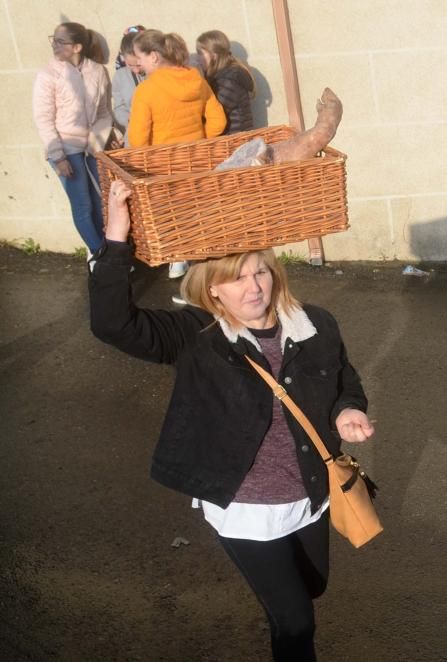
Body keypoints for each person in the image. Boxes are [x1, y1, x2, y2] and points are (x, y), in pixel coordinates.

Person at [90, 179, 375, 661]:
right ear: (213, 289)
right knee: (296, 621)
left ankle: (281, 616)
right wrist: (117, 237)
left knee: (311, 589)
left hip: (308, 493)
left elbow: (344, 379)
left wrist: (349, 409)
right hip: (245, 507)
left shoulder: (316, 324)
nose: (254, 286)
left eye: (260, 272)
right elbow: (112, 323)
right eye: (238, 277)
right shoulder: (195, 336)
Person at [129, 29, 227, 285]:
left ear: (154, 57)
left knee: (176, 220)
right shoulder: (195, 79)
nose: (137, 62)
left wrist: (146, 162)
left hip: (163, 168)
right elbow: (218, 119)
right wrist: (199, 142)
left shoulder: (146, 90)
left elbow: (138, 140)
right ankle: (205, 281)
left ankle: (189, 277)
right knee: (201, 220)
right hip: (197, 162)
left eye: (139, 57)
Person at [32, 21, 112, 262]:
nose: (54, 45)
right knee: (83, 206)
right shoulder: (48, 75)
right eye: (53, 39)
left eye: (60, 41)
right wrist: (58, 156)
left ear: (77, 47)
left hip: (91, 150)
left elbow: (104, 113)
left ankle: (104, 253)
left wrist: (95, 144)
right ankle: (102, 256)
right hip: (65, 150)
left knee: (101, 203)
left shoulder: (98, 71)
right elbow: (43, 118)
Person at [196, 30, 255, 134]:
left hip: (235, 143)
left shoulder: (229, 79)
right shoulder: (220, 76)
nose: (197, 59)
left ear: (213, 55)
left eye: (201, 53)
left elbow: (214, 115)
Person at [111, 25, 146, 147]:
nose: (136, 71)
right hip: (134, 138)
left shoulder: (156, 73)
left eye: (139, 65)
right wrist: (131, 121)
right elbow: (119, 107)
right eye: (131, 65)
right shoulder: (119, 77)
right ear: (123, 58)